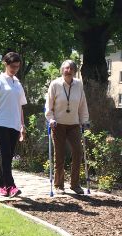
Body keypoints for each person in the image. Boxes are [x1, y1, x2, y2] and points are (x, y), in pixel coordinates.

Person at [0, 52, 27, 197]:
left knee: (7, 156)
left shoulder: (18, 83)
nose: (15, 69)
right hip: (0, 122)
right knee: (6, 153)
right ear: (5, 64)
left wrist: (22, 125)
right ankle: (10, 186)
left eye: (17, 67)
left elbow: (20, 106)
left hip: (14, 124)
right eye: (12, 66)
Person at [45, 59, 89, 194]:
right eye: (66, 68)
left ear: (75, 71)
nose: (68, 71)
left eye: (71, 68)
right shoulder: (55, 84)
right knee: (60, 155)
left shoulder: (79, 85)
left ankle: (75, 185)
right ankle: (59, 185)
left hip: (74, 124)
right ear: (61, 70)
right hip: (58, 125)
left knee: (78, 152)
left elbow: (82, 104)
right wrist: (50, 119)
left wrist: (85, 120)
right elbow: (49, 104)